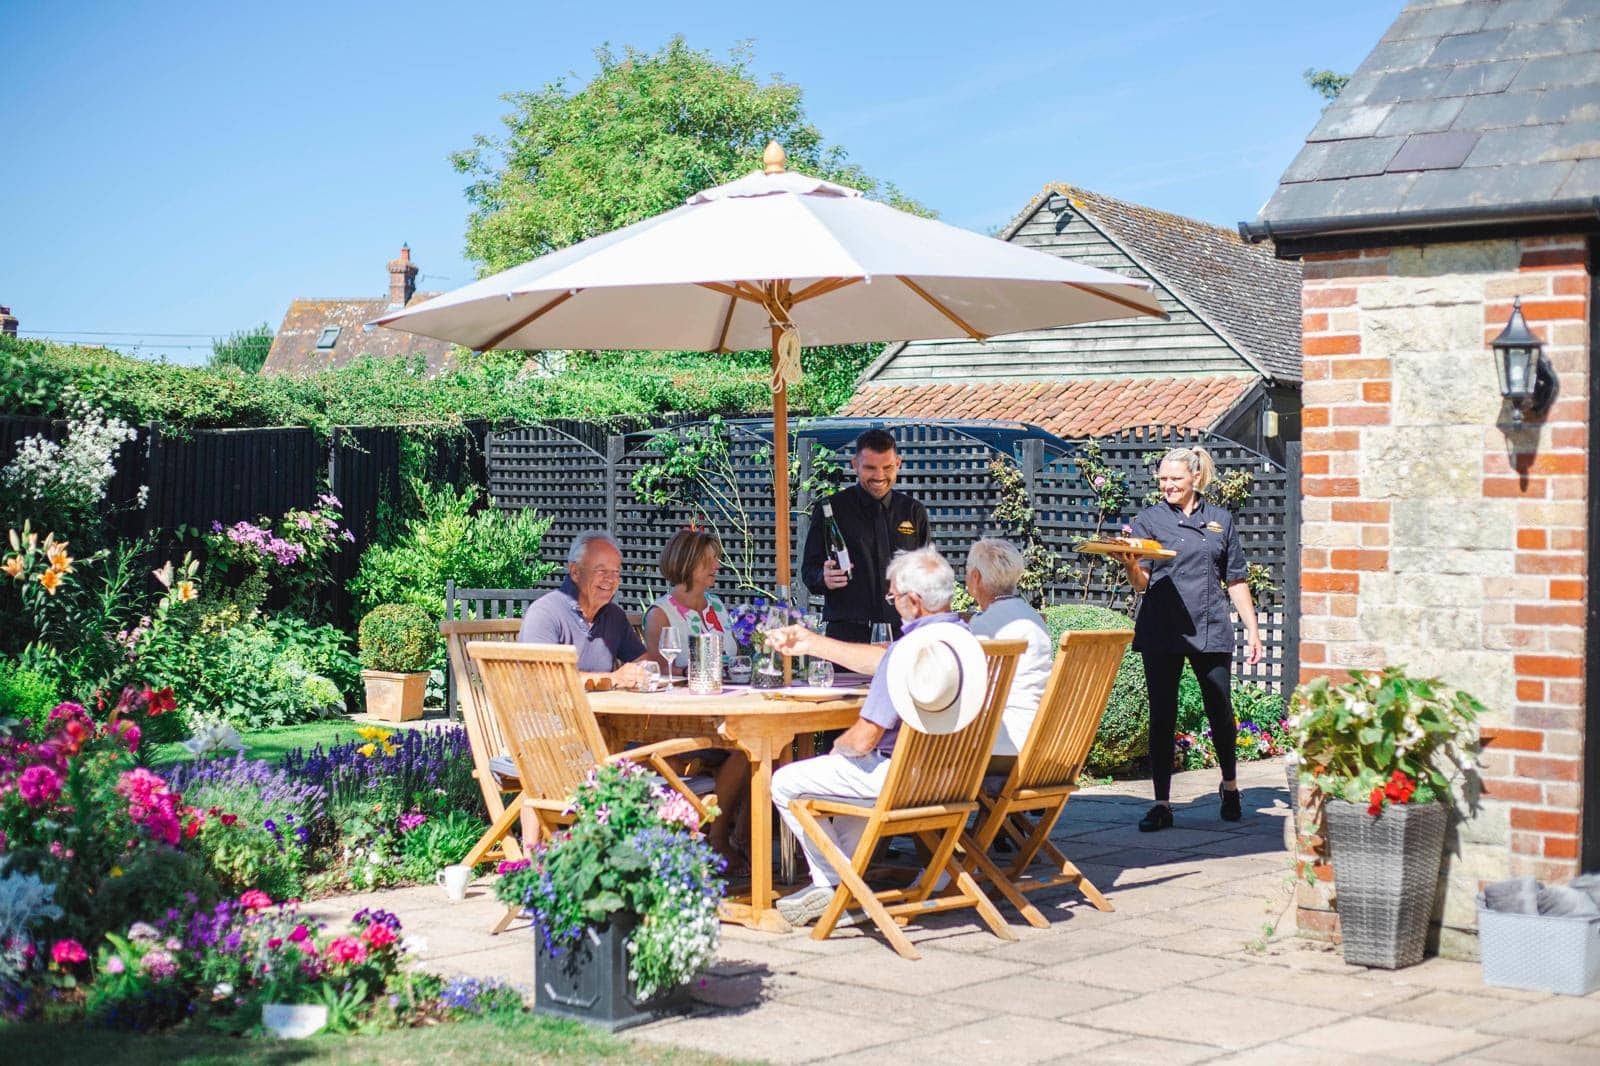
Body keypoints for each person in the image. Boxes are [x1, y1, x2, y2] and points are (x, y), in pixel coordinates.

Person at [765, 546, 981, 926]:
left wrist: (837, 748)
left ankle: (832, 883)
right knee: (851, 797)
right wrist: (813, 643)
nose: (892, 604)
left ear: (914, 601)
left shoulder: (906, 653)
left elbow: (864, 739)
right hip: (952, 778)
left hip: (899, 782)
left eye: (894, 597)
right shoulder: (963, 642)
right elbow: (880, 657)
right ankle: (847, 890)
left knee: (785, 782)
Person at [1110, 446, 1263, 832]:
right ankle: (1161, 803)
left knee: (1220, 708)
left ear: (1195, 478)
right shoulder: (1149, 520)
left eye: (1175, 479)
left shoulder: (1220, 520)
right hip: (1162, 628)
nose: (1168, 485)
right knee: (1162, 716)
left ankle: (1229, 786)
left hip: (1210, 627)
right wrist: (1131, 566)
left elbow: (1237, 579)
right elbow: (1142, 582)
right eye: (1162, 479)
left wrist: (1253, 629)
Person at [642, 529, 751, 874]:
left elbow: (732, 656)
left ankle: (746, 840)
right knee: (747, 748)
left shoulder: (717, 606)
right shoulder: (661, 614)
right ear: (687, 565)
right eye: (708, 561)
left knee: (768, 745)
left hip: (725, 712)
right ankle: (717, 839)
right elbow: (663, 676)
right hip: (681, 725)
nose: (716, 566)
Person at [801, 428, 929, 643]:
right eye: (870, 468)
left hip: (903, 631)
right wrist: (823, 578)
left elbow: (928, 572)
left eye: (887, 467)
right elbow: (809, 571)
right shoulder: (831, 509)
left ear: (898, 463)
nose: (879, 476)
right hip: (847, 633)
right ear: (855, 465)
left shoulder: (913, 511)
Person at [517, 530, 652, 690]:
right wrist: (614, 678)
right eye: (601, 571)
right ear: (575, 572)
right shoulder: (545, 613)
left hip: (602, 712)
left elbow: (643, 662)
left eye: (616, 572)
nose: (610, 579)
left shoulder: (614, 616)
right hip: (548, 713)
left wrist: (640, 672)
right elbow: (543, 677)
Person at [965, 538, 1053, 761]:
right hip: (1040, 742)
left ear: (975, 577)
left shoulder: (983, 625)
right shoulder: (1033, 618)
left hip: (1002, 748)